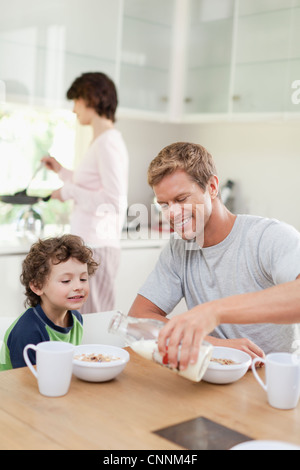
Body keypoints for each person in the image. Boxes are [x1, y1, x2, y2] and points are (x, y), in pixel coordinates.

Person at [128, 142, 300, 371]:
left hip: (271, 380)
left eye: (181, 199)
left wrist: (214, 312)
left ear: (212, 186)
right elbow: (139, 317)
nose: (173, 213)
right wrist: (215, 345)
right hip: (212, 377)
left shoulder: (267, 237)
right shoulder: (178, 248)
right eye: (164, 205)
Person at [42, 72, 128, 313]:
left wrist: (68, 191)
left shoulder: (108, 143)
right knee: (84, 320)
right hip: (90, 246)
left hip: (97, 247)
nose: (73, 109)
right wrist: (61, 171)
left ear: (90, 98)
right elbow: (90, 185)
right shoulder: (102, 141)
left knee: (95, 321)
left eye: (76, 101)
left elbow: (113, 201)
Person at [0, 234, 98, 371]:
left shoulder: (76, 319)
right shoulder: (27, 331)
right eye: (66, 281)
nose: (79, 287)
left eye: (83, 279)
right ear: (37, 286)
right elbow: (26, 383)